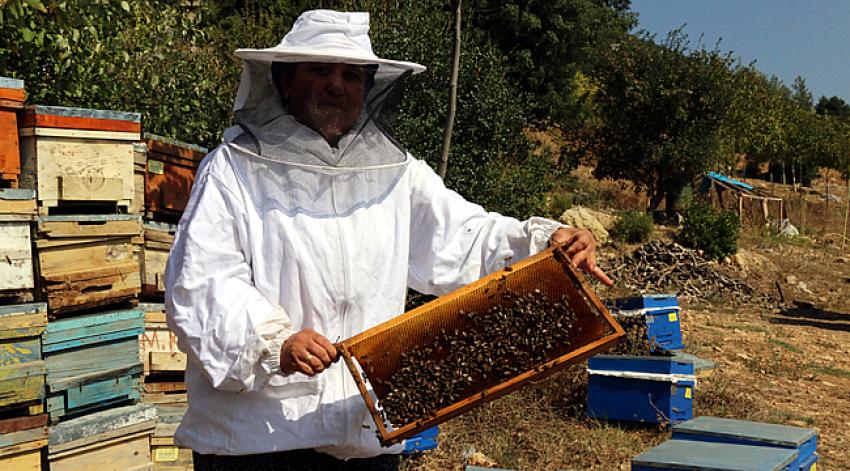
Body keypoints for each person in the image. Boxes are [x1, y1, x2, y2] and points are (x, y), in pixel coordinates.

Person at [165, 9, 611, 471]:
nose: (336, 86)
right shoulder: (233, 170)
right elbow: (203, 281)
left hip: (365, 432)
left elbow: (464, 237)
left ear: (369, 88)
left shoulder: (396, 175)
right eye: (320, 70)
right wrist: (274, 342)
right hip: (260, 438)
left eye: (351, 75)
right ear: (284, 81)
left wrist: (543, 243)